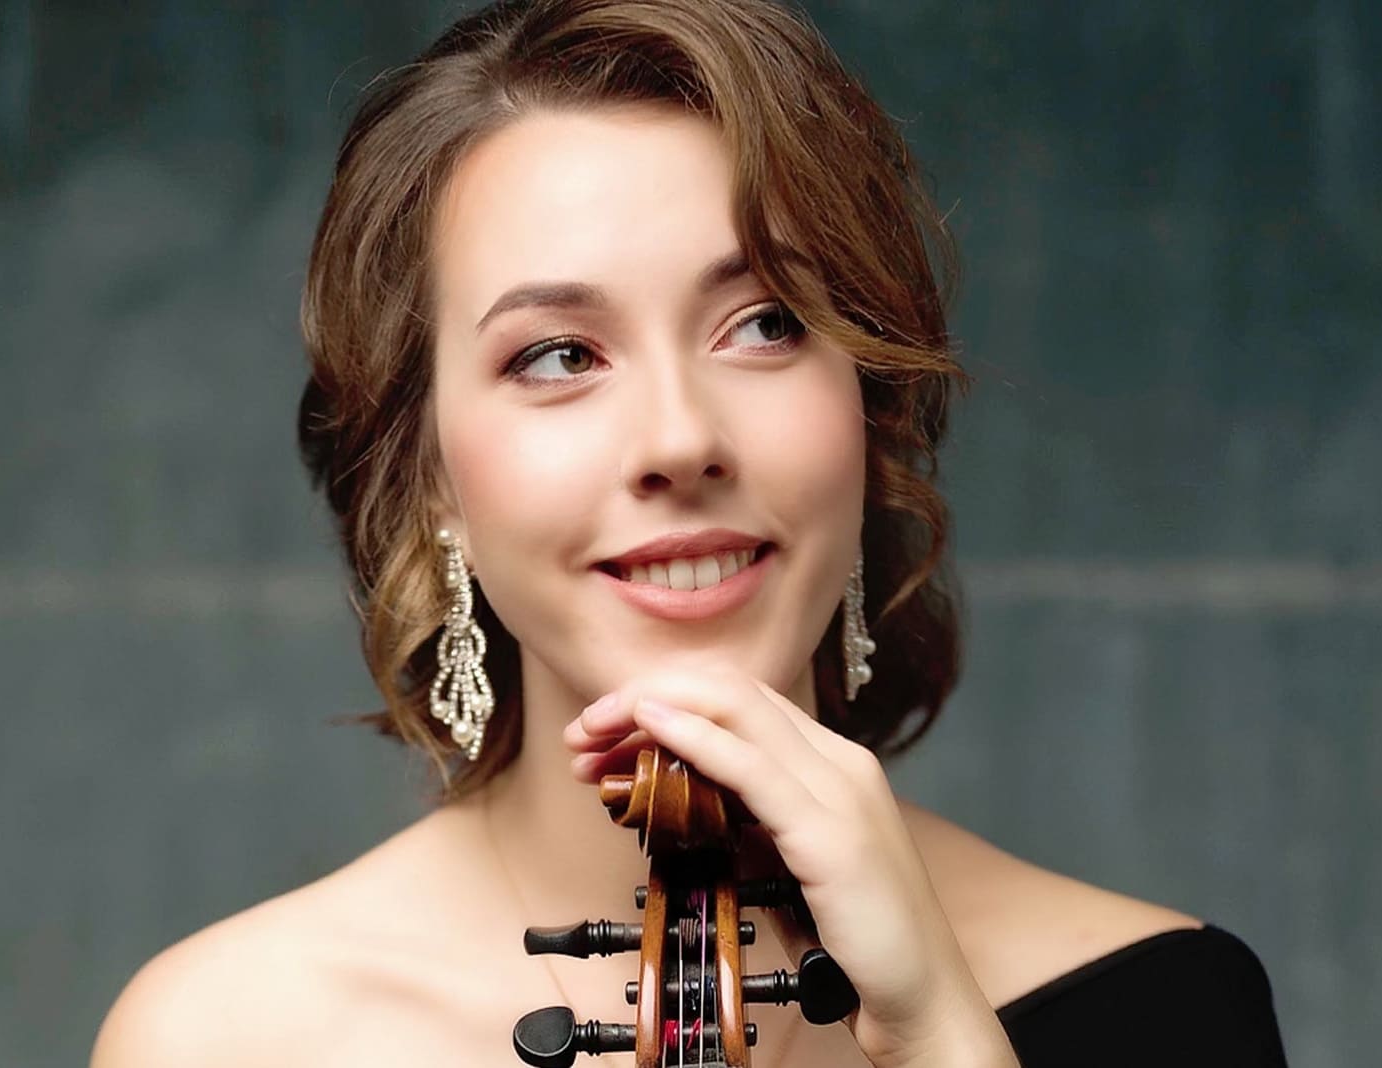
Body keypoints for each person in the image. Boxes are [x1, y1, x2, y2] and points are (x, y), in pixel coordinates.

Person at [92, 1, 1288, 1064]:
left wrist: (942, 1039)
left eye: (764, 323)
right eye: (558, 355)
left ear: (867, 408)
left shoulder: (1167, 1006)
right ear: (430, 471)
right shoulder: (223, 1041)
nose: (678, 438)